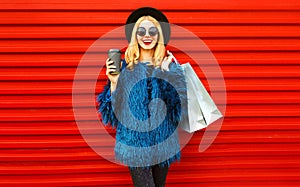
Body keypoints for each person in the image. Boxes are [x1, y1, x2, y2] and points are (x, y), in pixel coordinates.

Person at [97, 7, 187, 187]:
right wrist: (114, 81)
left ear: (159, 35)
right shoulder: (125, 68)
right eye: (142, 31)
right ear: (135, 36)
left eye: (153, 31)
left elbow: (178, 109)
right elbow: (114, 113)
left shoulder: (169, 66)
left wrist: (166, 73)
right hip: (135, 145)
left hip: (163, 144)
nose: (147, 35)